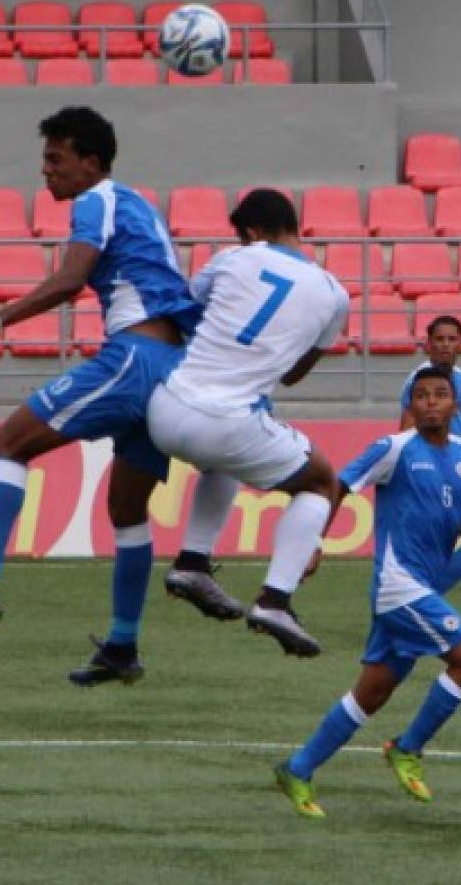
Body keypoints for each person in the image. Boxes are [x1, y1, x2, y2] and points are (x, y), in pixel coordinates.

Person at [0, 106, 244, 687]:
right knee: (126, 511)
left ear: (91, 162)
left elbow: (70, 279)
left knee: (5, 442)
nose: (47, 172)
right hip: (169, 366)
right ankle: (121, 646)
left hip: (135, 360)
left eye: (55, 159)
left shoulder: (99, 201)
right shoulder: (139, 205)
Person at [274, 365, 461, 818]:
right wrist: (314, 539)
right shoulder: (393, 449)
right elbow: (338, 487)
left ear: (456, 405)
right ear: (409, 407)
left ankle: (297, 768)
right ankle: (407, 747)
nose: (431, 402)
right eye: (421, 396)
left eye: (440, 394)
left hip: (419, 590)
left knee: (371, 694)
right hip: (398, 588)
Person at [147, 188, 350, 658]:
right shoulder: (335, 295)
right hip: (229, 421)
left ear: (252, 232)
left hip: (168, 405)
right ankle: (275, 601)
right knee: (321, 482)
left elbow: (184, 316)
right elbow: (295, 375)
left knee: (226, 460)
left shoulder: (231, 260)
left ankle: (193, 562)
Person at [400, 315, 461, 436]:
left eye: (452, 339)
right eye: (439, 339)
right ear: (429, 342)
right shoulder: (417, 381)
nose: (446, 344)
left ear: (460, 343)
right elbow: (406, 429)